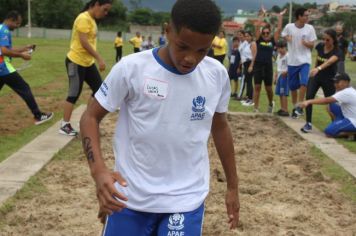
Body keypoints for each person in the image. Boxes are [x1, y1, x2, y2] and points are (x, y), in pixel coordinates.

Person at [80, 0, 240, 234]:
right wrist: (99, 171)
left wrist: (233, 186)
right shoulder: (131, 68)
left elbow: (220, 127)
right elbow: (90, 117)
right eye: (183, 46)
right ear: (167, 31)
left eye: (201, 50)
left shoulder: (216, 75)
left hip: (186, 200)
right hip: (129, 198)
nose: (190, 59)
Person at [60, 0, 112, 136]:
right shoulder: (83, 18)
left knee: (99, 90)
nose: (105, 13)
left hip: (87, 63)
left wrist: (94, 58)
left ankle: (87, 121)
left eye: (107, 11)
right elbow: (84, 42)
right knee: (74, 93)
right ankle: (64, 125)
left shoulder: (92, 20)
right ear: (96, 5)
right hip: (75, 61)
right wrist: (99, 58)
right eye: (104, 9)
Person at [0, 11, 53, 125]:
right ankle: (38, 116)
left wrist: (24, 48)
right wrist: (22, 55)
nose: (18, 26)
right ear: (11, 20)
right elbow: (4, 51)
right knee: (24, 88)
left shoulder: (1, 28)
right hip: (3, 67)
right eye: (17, 23)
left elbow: (8, 49)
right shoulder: (4, 30)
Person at [300, 29, 341, 133]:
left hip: (329, 79)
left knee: (331, 102)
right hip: (316, 77)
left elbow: (329, 62)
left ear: (333, 40)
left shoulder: (337, 51)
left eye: (328, 40)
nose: (325, 42)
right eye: (323, 39)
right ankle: (308, 123)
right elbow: (318, 59)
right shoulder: (320, 46)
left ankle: (335, 123)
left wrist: (318, 69)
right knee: (309, 97)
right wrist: (315, 70)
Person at [281, 7, 317, 118]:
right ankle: (295, 106)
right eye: (305, 15)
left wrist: (306, 43)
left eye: (308, 15)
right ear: (299, 16)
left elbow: (313, 44)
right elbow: (283, 35)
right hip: (292, 61)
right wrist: (287, 38)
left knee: (304, 82)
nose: (307, 17)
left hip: (305, 60)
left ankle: (300, 106)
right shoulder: (289, 27)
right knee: (292, 87)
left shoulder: (310, 28)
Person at [298, 73, 356, 138]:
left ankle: (351, 133)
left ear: (346, 82)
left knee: (328, 132)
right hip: (348, 116)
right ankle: (338, 125)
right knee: (331, 105)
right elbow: (330, 102)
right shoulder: (346, 90)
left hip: (353, 120)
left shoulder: (346, 92)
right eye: (334, 82)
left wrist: (308, 101)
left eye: (337, 82)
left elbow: (326, 100)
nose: (335, 84)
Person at [249, 9, 286, 113]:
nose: (265, 34)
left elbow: (279, 28)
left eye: (267, 33)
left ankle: (271, 103)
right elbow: (257, 27)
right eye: (264, 33)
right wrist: (262, 15)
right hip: (258, 65)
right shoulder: (259, 39)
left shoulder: (272, 40)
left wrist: (280, 16)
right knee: (257, 86)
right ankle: (256, 108)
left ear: (270, 33)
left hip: (268, 66)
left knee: (268, 88)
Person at [274, 41, 289, 116]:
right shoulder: (278, 56)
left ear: (285, 47)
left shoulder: (288, 56)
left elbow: (291, 67)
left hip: (284, 77)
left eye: (282, 48)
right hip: (279, 76)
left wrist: (286, 72)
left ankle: (285, 110)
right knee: (280, 93)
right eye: (279, 48)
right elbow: (277, 67)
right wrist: (275, 76)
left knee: (284, 93)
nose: (280, 50)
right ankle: (282, 108)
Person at [239, 31, 254, 106]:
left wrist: (251, 65)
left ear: (251, 36)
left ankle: (251, 99)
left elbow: (254, 56)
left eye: (248, 36)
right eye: (246, 36)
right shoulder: (246, 44)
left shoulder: (252, 44)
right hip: (245, 63)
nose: (247, 37)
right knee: (247, 81)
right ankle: (248, 98)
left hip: (249, 63)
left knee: (249, 81)